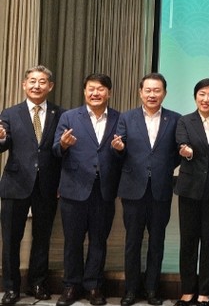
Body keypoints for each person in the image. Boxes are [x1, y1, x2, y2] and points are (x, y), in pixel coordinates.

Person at [111, 73, 181, 306]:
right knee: (132, 241)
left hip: (161, 189)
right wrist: (118, 148)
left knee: (157, 241)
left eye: (157, 90)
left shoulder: (175, 119)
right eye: (148, 90)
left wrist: (164, 167)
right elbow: (119, 151)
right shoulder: (126, 117)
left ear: (164, 93)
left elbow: (177, 153)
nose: (152, 94)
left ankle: (152, 289)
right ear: (140, 92)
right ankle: (131, 290)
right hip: (133, 189)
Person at [52, 73, 122, 306]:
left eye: (100, 89)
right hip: (75, 188)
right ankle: (71, 286)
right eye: (91, 88)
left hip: (104, 190)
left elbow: (123, 155)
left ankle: (93, 285)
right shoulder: (69, 117)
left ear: (109, 93)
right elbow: (55, 149)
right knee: (72, 241)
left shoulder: (119, 118)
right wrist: (63, 145)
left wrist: (120, 150)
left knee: (99, 241)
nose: (95, 93)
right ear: (84, 92)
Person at [0, 66, 64, 304]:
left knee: (42, 237)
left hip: (47, 184)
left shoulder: (60, 114)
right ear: (24, 85)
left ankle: (38, 283)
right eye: (33, 81)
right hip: (15, 184)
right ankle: (11, 288)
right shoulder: (10, 113)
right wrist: (1, 138)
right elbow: (3, 144)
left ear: (50, 86)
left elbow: (60, 152)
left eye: (42, 81)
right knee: (10, 240)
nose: (37, 86)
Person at [173, 78, 209, 306]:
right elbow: (181, 143)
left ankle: (205, 291)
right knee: (188, 241)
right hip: (189, 190)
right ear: (195, 96)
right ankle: (187, 290)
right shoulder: (185, 121)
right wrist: (185, 151)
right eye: (202, 94)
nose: (206, 99)